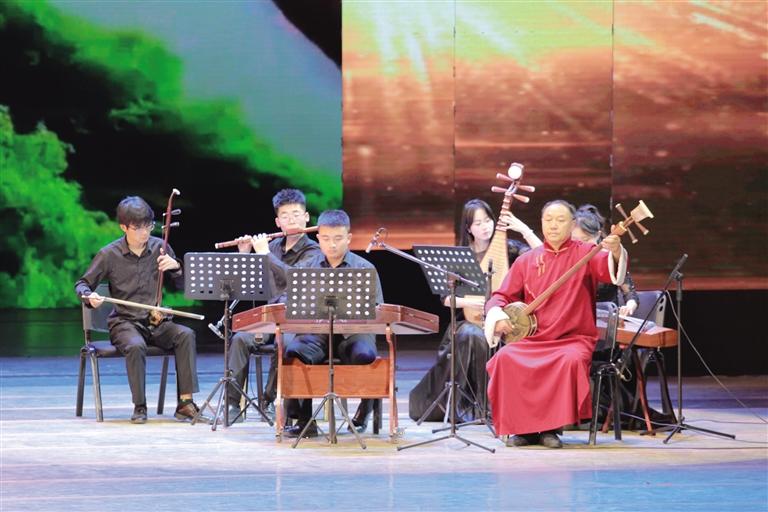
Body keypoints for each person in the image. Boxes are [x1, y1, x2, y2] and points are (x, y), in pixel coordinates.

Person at [484, 199, 628, 448]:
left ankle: (550, 429)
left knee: (569, 360)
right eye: (548, 220)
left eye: (560, 220)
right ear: (541, 223)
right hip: (534, 339)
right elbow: (501, 295)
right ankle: (524, 429)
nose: (553, 225)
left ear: (572, 225)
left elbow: (610, 270)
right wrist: (497, 315)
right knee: (505, 358)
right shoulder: (527, 260)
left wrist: (615, 251)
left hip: (573, 338)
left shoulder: (587, 253)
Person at [75, 196, 208, 424]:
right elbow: (82, 284)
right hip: (124, 323)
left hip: (156, 321)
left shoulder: (160, 247)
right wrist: (89, 296)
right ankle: (140, 406)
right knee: (136, 346)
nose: (145, 232)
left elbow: (183, 286)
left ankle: (185, 403)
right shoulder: (109, 254)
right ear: (124, 227)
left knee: (186, 335)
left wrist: (176, 267)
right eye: (138, 228)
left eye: (148, 225)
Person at [408, 199, 540, 423]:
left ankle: (497, 406)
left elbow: (543, 256)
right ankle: (477, 407)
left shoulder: (510, 249)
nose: (485, 227)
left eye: (487, 220)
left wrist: (524, 230)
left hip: (505, 322)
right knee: (474, 335)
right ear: (468, 228)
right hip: (468, 323)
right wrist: (468, 303)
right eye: (478, 223)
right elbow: (446, 299)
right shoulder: (461, 257)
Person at [282, 209, 384, 438]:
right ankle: (305, 420)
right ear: (318, 238)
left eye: (338, 238)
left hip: (354, 332)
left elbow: (377, 310)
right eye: (326, 238)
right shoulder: (306, 268)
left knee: (365, 355)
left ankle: (366, 408)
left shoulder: (365, 268)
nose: (332, 244)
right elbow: (293, 306)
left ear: (349, 238)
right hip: (318, 332)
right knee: (294, 352)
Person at [226, 189, 322, 421]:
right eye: (285, 216)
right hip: (270, 317)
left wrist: (265, 253)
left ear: (306, 217)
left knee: (284, 343)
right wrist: (244, 254)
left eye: (296, 214)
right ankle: (232, 404)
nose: (292, 220)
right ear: (278, 222)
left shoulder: (315, 251)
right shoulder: (274, 246)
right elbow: (244, 286)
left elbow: (295, 278)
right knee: (240, 339)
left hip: (298, 321)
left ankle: (270, 400)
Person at [573, 204, 638, 317]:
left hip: (606, 318)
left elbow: (630, 294)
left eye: (585, 240)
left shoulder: (608, 258)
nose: (580, 245)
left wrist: (629, 306)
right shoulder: (565, 258)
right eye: (574, 240)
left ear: (597, 236)